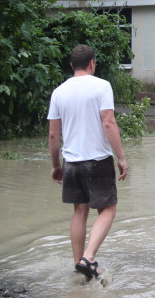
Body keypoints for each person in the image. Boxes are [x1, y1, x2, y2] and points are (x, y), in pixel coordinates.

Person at [48, 44, 129, 280]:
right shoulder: (102, 86)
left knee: (80, 211)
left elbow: (54, 135)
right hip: (97, 160)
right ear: (92, 63)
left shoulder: (59, 92)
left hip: (71, 162)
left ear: (72, 65)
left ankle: (79, 267)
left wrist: (56, 165)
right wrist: (121, 157)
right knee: (108, 209)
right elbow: (109, 123)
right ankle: (89, 257)